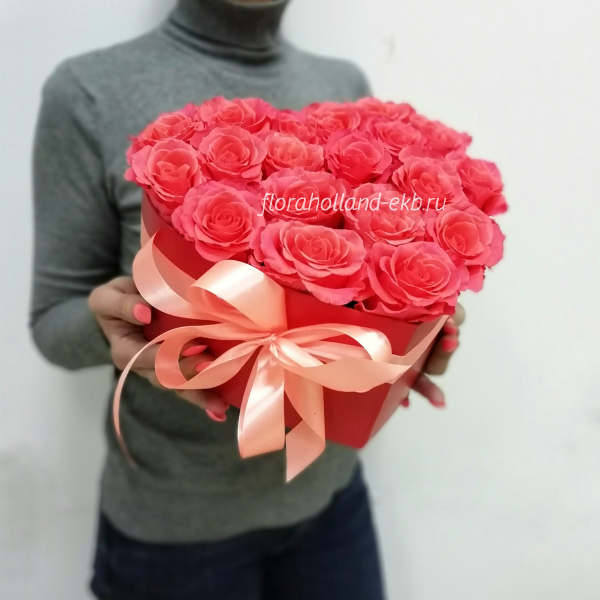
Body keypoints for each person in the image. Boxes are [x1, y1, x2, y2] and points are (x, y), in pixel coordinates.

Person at [29, 1, 464, 598]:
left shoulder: (343, 86)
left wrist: (407, 335)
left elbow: (372, 274)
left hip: (331, 502)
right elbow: (52, 322)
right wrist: (123, 329)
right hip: (176, 530)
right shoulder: (90, 91)